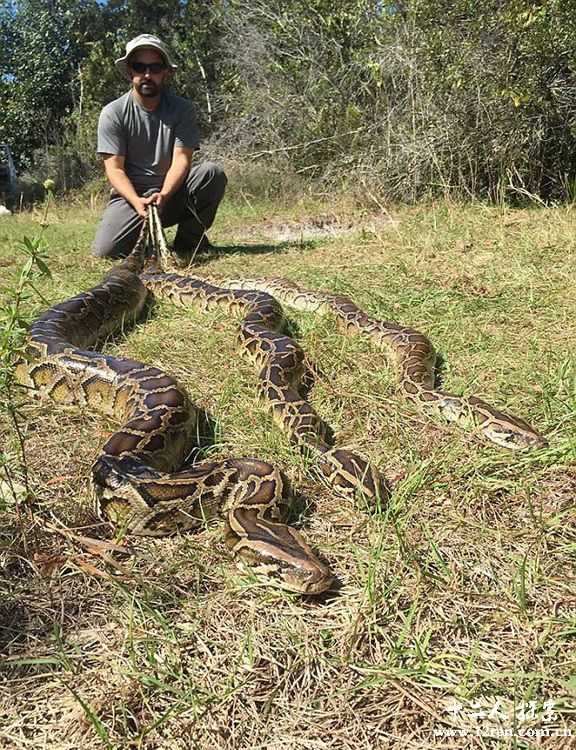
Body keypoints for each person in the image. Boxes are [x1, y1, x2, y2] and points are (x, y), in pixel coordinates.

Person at [91, 34, 227, 263]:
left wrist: (163, 195)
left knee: (212, 174)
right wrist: (136, 200)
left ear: (166, 72)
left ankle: (189, 242)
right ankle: (147, 238)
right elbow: (114, 169)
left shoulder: (182, 110)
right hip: (131, 198)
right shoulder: (113, 113)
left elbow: (182, 160)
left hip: (171, 193)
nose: (147, 74)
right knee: (105, 251)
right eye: (139, 67)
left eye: (155, 67)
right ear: (130, 71)